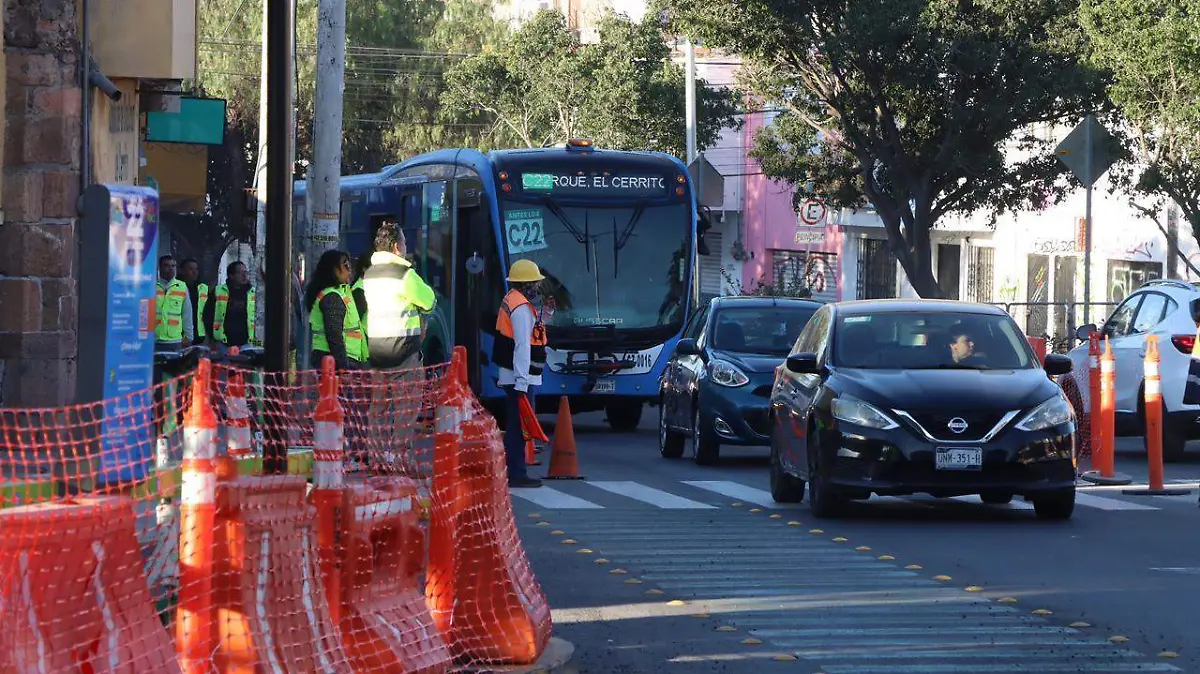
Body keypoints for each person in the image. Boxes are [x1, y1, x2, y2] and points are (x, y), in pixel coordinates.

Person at [361, 223, 436, 474]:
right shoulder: (406, 275)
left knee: (378, 410)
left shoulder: (370, 275)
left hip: (378, 352)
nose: (406, 246)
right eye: (403, 242)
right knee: (406, 407)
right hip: (404, 353)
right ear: (396, 247)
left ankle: (377, 458)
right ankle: (401, 461)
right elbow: (429, 300)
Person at [493, 259, 548, 489]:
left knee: (516, 427)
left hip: (513, 376)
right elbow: (522, 346)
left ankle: (513, 471)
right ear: (527, 284)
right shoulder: (521, 308)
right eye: (535, 282)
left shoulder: (513, 301)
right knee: (518, 428)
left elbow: (529, 335)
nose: (537, 286)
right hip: (519, 378)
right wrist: (522, 382)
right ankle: (516, 473)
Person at [304, 249, 368, 370]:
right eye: (345, 265)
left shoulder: (342, 293)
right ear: (333, 269)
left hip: (340, 359)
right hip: (334, 362)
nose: (350, 269)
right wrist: (343, 367)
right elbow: (334, 334)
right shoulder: (331, 297)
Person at [203, 261, 256, 352]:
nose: (244, 275)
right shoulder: (218, 291)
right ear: (231, 275)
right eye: (240, 273)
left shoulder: (252, 293)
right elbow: (207, 315)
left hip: (247, 343)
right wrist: (212, 339)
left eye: (245, 272)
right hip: (223, 343)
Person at [155, 255, 194, 351]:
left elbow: (187, 314)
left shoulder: (181, 286)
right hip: (153, 339)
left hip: (175, 341)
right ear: (159, 268)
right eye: (166, 265)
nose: (170, 269)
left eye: (173, 266)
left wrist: (189, 337)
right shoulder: (152, 285)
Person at [179, 258, 207, 345]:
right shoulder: (176, 288)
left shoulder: (203, 288)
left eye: (196, 269)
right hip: (180, 335)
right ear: (183, 271)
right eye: (191, 269)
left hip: (200, 336)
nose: (195, 272)